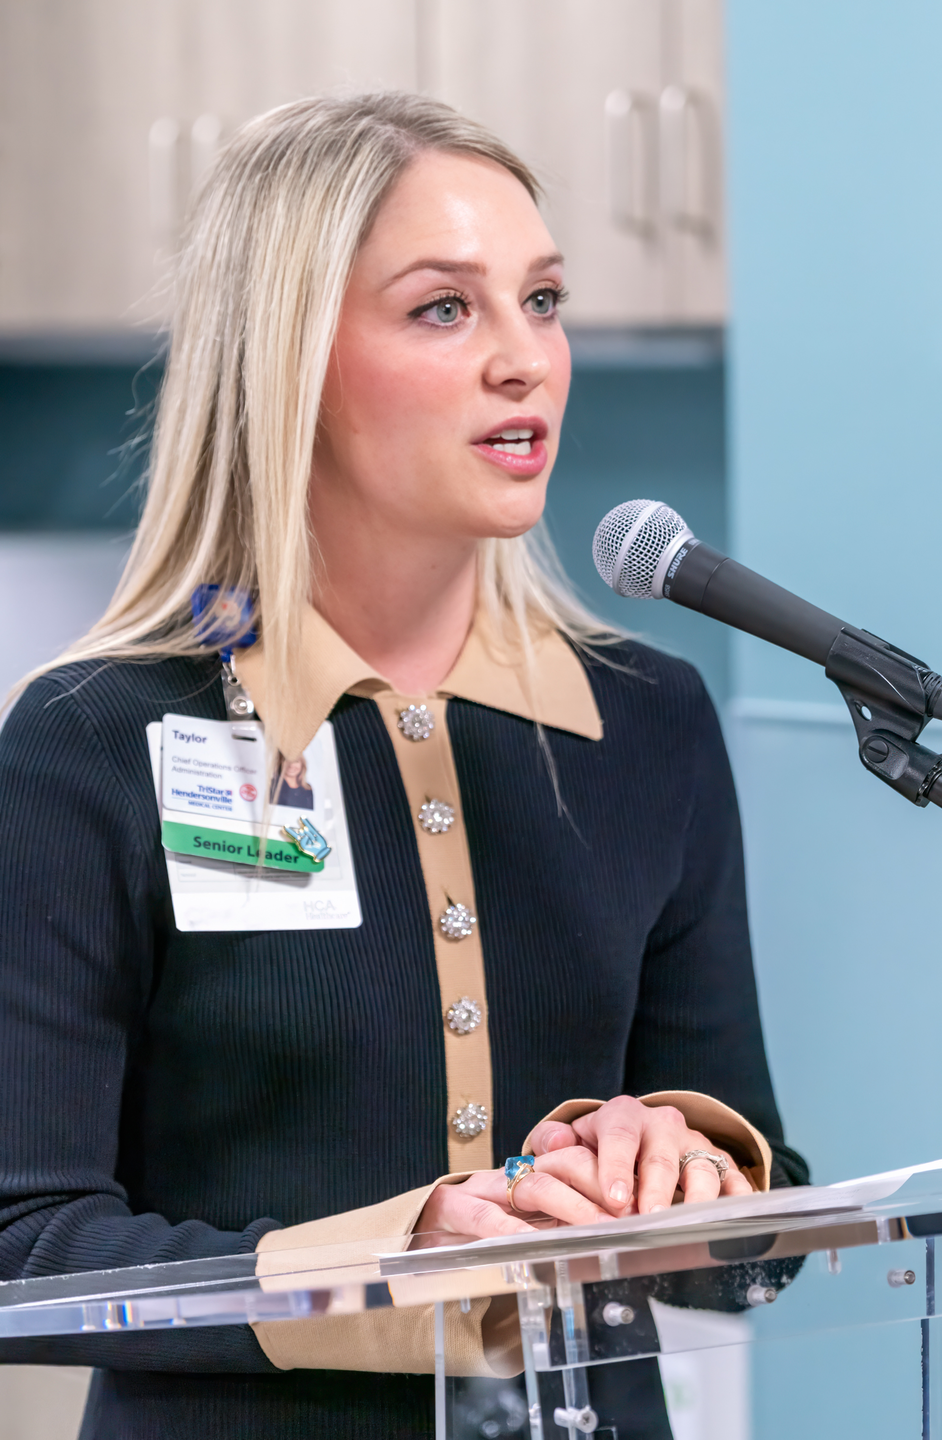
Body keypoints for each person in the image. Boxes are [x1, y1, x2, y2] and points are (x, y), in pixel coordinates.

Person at [0, 92, 807, 1439]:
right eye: (444, 309)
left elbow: (759, 1242)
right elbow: (23, 1254)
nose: (526, 360)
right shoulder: (92, 739)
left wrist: (688, 1169)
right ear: (289, 360)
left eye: (542, 301)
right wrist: (391, 1263)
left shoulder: (645, 719)